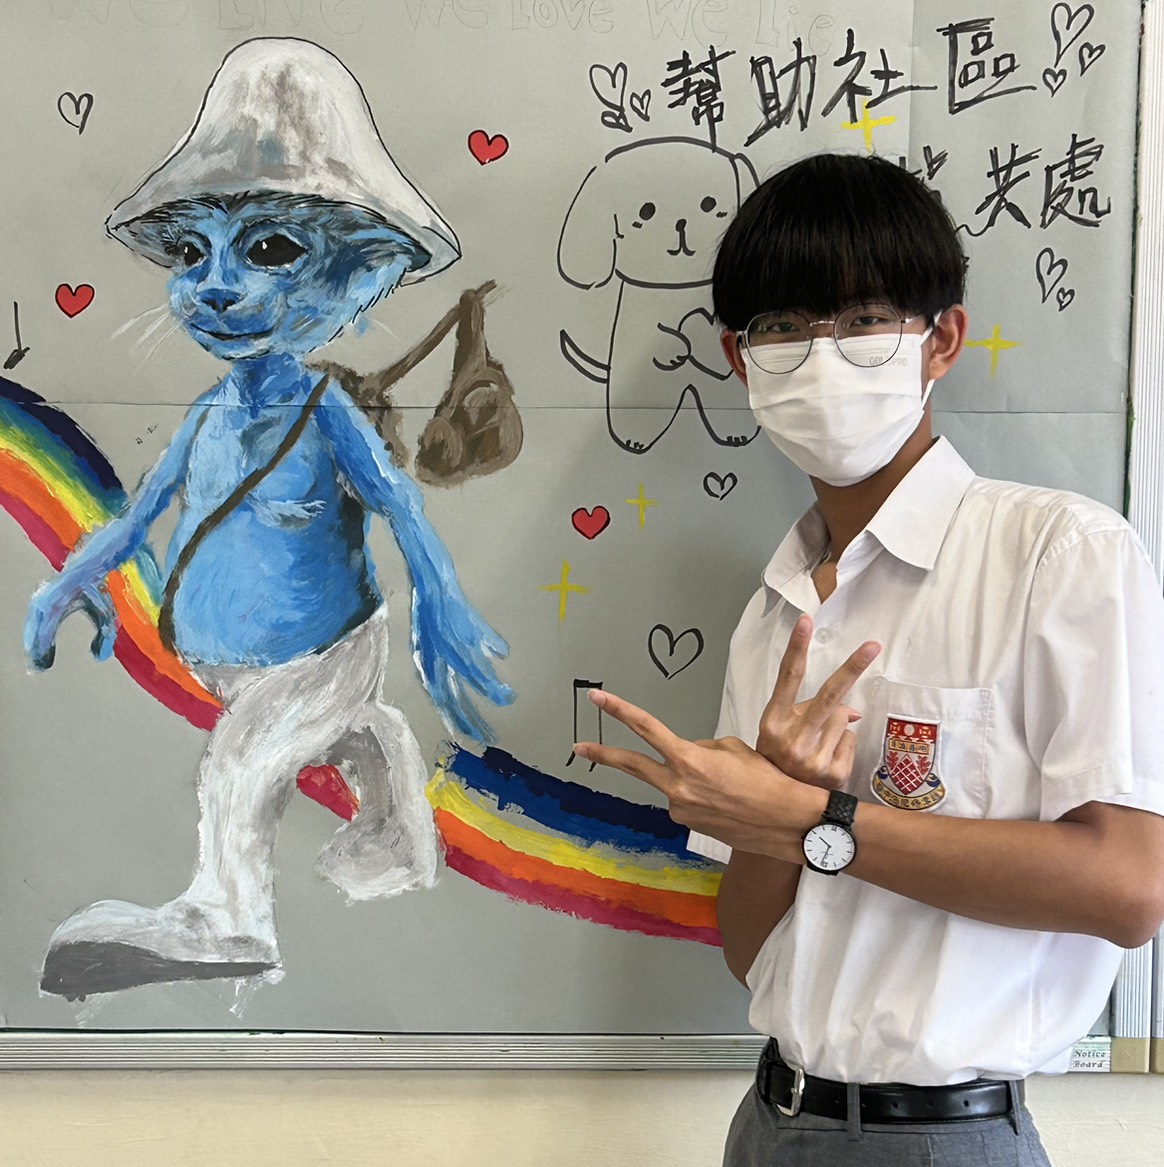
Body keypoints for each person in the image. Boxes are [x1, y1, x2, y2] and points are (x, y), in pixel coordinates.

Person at [572, 152, 1164, 1166]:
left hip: (945, 1136)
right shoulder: (774, 609)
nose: (822, 357)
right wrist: (772, 820)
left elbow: (1127, 887)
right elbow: (752, 949)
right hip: (771, 1121)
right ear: (738, 359)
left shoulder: (1058, 553)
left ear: (942, 339)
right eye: (782, 329)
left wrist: (818, 817)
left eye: (862, 321)